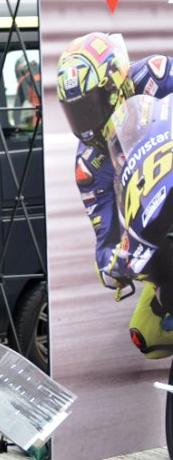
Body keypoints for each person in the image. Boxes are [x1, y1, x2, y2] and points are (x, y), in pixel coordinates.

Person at [56, 32, 173, 357]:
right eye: (75, 112)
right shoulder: (89, 165)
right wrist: (115, 266)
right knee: (147, 337)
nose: (85, 122)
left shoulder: (157, 75)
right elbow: (105, 241)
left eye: (89, 106)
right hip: (157, 230)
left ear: (114, 85)